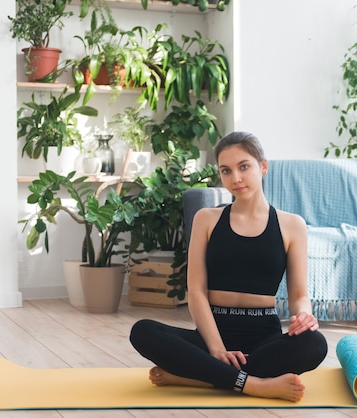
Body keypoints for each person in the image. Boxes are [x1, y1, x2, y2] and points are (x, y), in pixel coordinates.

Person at [129, 131, 328, 402]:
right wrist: (217, 348)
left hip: (263, 338)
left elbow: (298, 296)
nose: (235, 178)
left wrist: (304, 316)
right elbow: (196, 292)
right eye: (226, 170)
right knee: (143, 331)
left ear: (263, 166)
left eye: (244, 167)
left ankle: (201, 377)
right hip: (213, 332)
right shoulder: (206, 219)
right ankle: (255, 385)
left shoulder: (292, 225)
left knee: (314, 344)